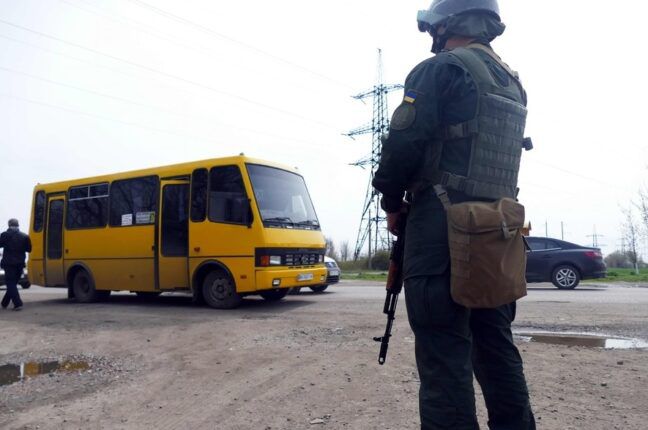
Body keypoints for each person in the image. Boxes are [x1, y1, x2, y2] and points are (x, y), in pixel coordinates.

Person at [372, 1, 536, 429]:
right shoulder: (512, 83)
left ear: (445, 25)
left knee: (444, 360)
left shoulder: (440, 70)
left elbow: (402, 147)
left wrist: (391, 203)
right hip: (497, 234)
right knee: (497, 350)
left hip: (441, 230)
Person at [1, 218, 32, 311]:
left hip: (9, 263)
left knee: (10, 283)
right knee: (13, 284)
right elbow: (29, 249)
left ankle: (18, 303)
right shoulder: (25, 236)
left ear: (9, 225)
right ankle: (4, 302)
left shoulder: (5, 235)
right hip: (20, 263)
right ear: (18, 225)